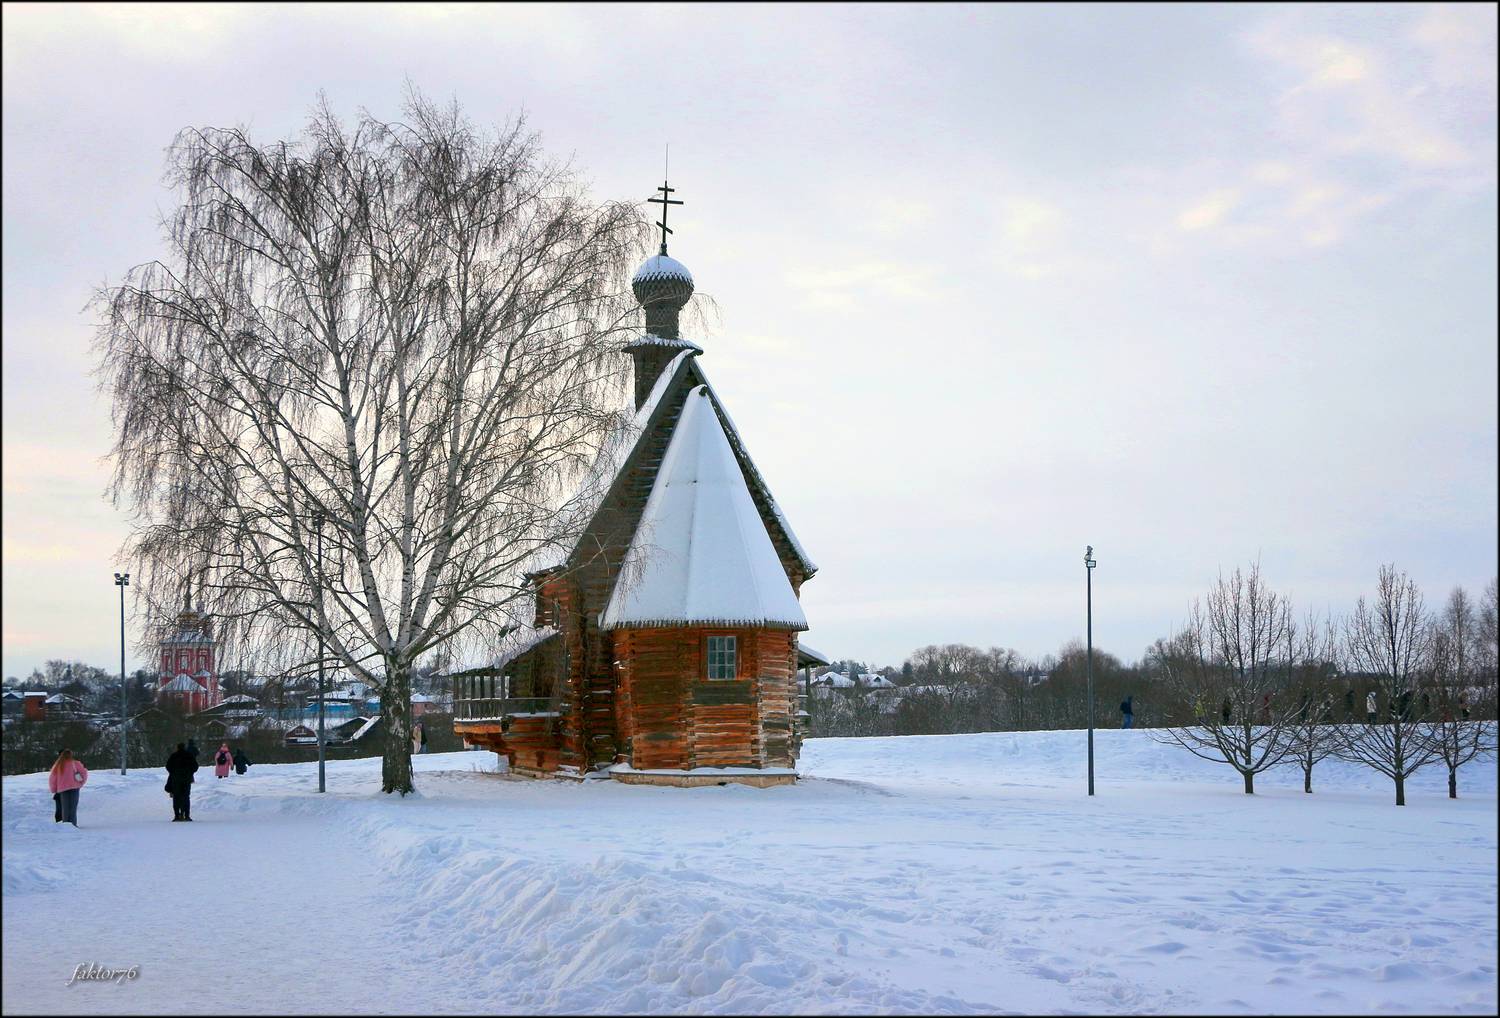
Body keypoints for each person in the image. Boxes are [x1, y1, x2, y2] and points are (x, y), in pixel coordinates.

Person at [48, 749, 89, 827]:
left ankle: (66, 825)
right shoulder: (76, 763)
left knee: (65, 808)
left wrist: (53, 789)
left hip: (62, 789)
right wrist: (81, 783)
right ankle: (73, 825)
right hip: (74, 787)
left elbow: (52, 778)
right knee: (73, 808)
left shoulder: (58, 765)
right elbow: (84, 773)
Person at [164, 742, 199, 821]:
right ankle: (186, 815)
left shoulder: (174, 756)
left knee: (176, 797)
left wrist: (173, 773)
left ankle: (177, 816)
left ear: (177, 748)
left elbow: (168, 766)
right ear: (184, 747)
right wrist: (190, 773)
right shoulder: (189, 755)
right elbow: (195, 766)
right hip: (186, 780)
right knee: (186, 797)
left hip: (176, 780)